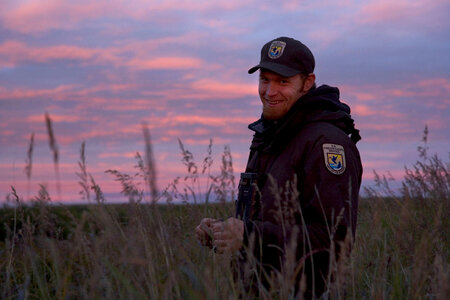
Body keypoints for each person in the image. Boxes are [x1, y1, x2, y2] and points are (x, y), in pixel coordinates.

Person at [195, 36, 362, 299]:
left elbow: (334, 242)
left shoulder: (326, 143)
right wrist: (223, 232)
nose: (270, 92)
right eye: (265, 80)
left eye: (283, 82)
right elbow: (266, 217)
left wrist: (249, 234)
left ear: (307, 83)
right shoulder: (270, 135)